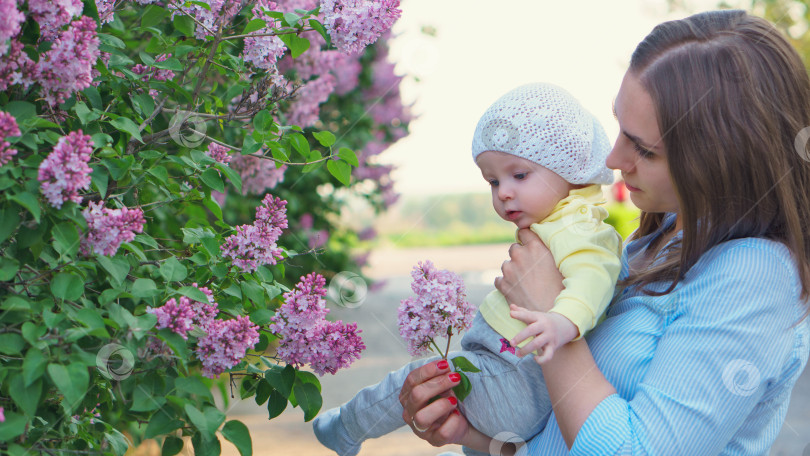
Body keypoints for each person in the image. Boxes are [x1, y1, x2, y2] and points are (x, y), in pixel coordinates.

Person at [398, 9, 810, 455]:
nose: (613, 159)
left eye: (645, 150)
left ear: (721, 160)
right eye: (619, 127)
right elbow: (564, 433)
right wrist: (473, 435)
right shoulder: (661, 236)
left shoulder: (754, 274)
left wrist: (551, 315)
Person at [312, 83, 623, 456]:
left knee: (410, 382)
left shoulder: (581, 227)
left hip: (516, 380)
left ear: (568, 168)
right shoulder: (560, 223)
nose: (503, 192)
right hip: (512, 380)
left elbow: (594, 278)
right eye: (493, 181)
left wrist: (560, 322)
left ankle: (346, 428)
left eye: (519, 175)